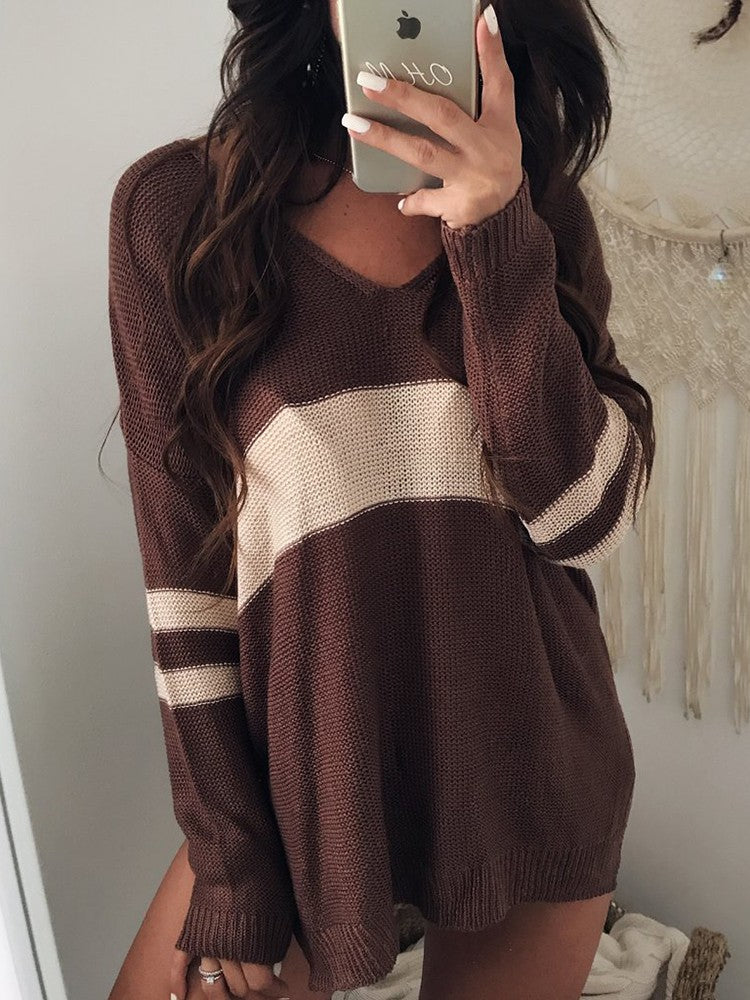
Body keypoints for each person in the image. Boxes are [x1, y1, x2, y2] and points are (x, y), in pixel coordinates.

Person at [106, 1, 656, 998]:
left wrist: (496, 234)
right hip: (307, 788)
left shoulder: (540, 206)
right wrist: (230, 864)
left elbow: (589, 517)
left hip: (532, 766)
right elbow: (186, 593)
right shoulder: (180, 212)